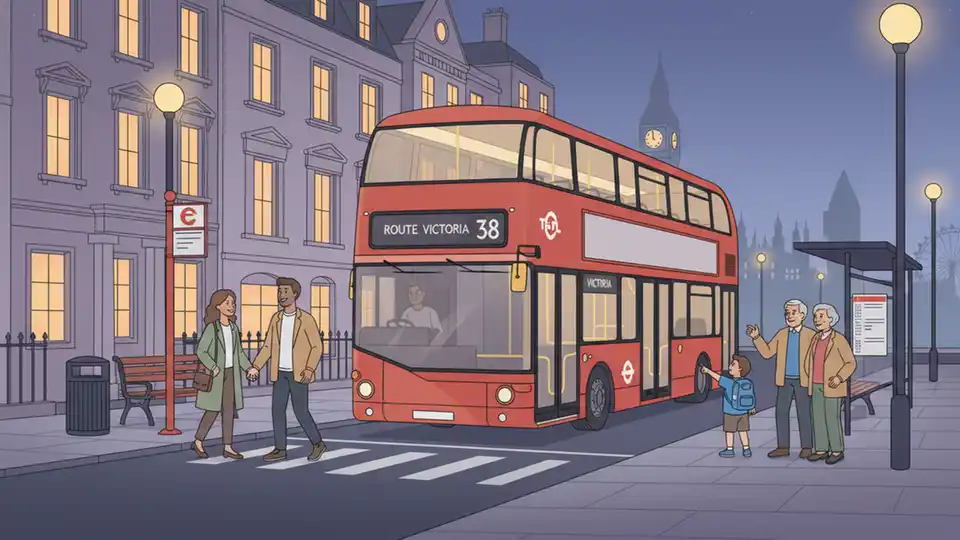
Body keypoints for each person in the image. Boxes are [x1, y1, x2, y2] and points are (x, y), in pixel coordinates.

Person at [247, 277, 326, 462]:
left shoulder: (306, 319)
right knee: (277, 410)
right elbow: (267, 346)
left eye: (285, 291)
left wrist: (309, 368)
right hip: (280, 373)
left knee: (301, 412)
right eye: (279, 291)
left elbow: (317, 346)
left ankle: (318, 443)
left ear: (295, 294)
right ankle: (280, 449)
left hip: (298, 374)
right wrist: (256, 366)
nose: (281, 295)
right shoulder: (276, 319)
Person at [746, 299, 817, 459]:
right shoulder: (782, 334)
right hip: (784, 380)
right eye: (787, 313)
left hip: (803, 381)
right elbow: (767, 352)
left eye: (793, 312)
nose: (789, 316)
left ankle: (807, 446)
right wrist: (756, 338)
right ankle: (783, 446)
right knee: (781, 412)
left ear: (802, 315)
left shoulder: (811, 335)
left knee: (804, 413)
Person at [192, 289, 251, 460]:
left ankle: (227, 446)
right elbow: (201, 351)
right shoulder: (212, 328)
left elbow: (239, 353)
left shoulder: (233, 328)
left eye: (233, 303)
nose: (231, 306)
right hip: (216, 376)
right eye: (227, 303)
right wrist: (213, 366)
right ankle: (198, 441)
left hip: (231, 374)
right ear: (217, 305)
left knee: (228, 411)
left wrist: (249, 368)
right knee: (212, 410)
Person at [804, 303, 856, 465]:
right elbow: (808, 360)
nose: (817, 320)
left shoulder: (839, 339)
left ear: (831, 319)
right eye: (815, 316)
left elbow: (850, 363)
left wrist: (839, 378)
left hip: (832, 386)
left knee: (831, 418)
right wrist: (808, 376)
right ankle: (820, 449)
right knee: (818, 417)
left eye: (821, 316)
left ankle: (836, 450)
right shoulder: (815, 338)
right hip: (816, 384)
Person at [701, 355, 756, 457]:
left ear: (740, 369)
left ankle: (730, 449)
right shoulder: (747, 383)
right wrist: (751, 408)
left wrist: (707, 371)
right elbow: (751, 396)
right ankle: (746, 449)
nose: (730, 366)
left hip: (730, 412)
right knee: (743, 431)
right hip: (743, 412)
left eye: (733, 364)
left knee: (729, 431)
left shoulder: (729, 383)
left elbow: (717, 378)